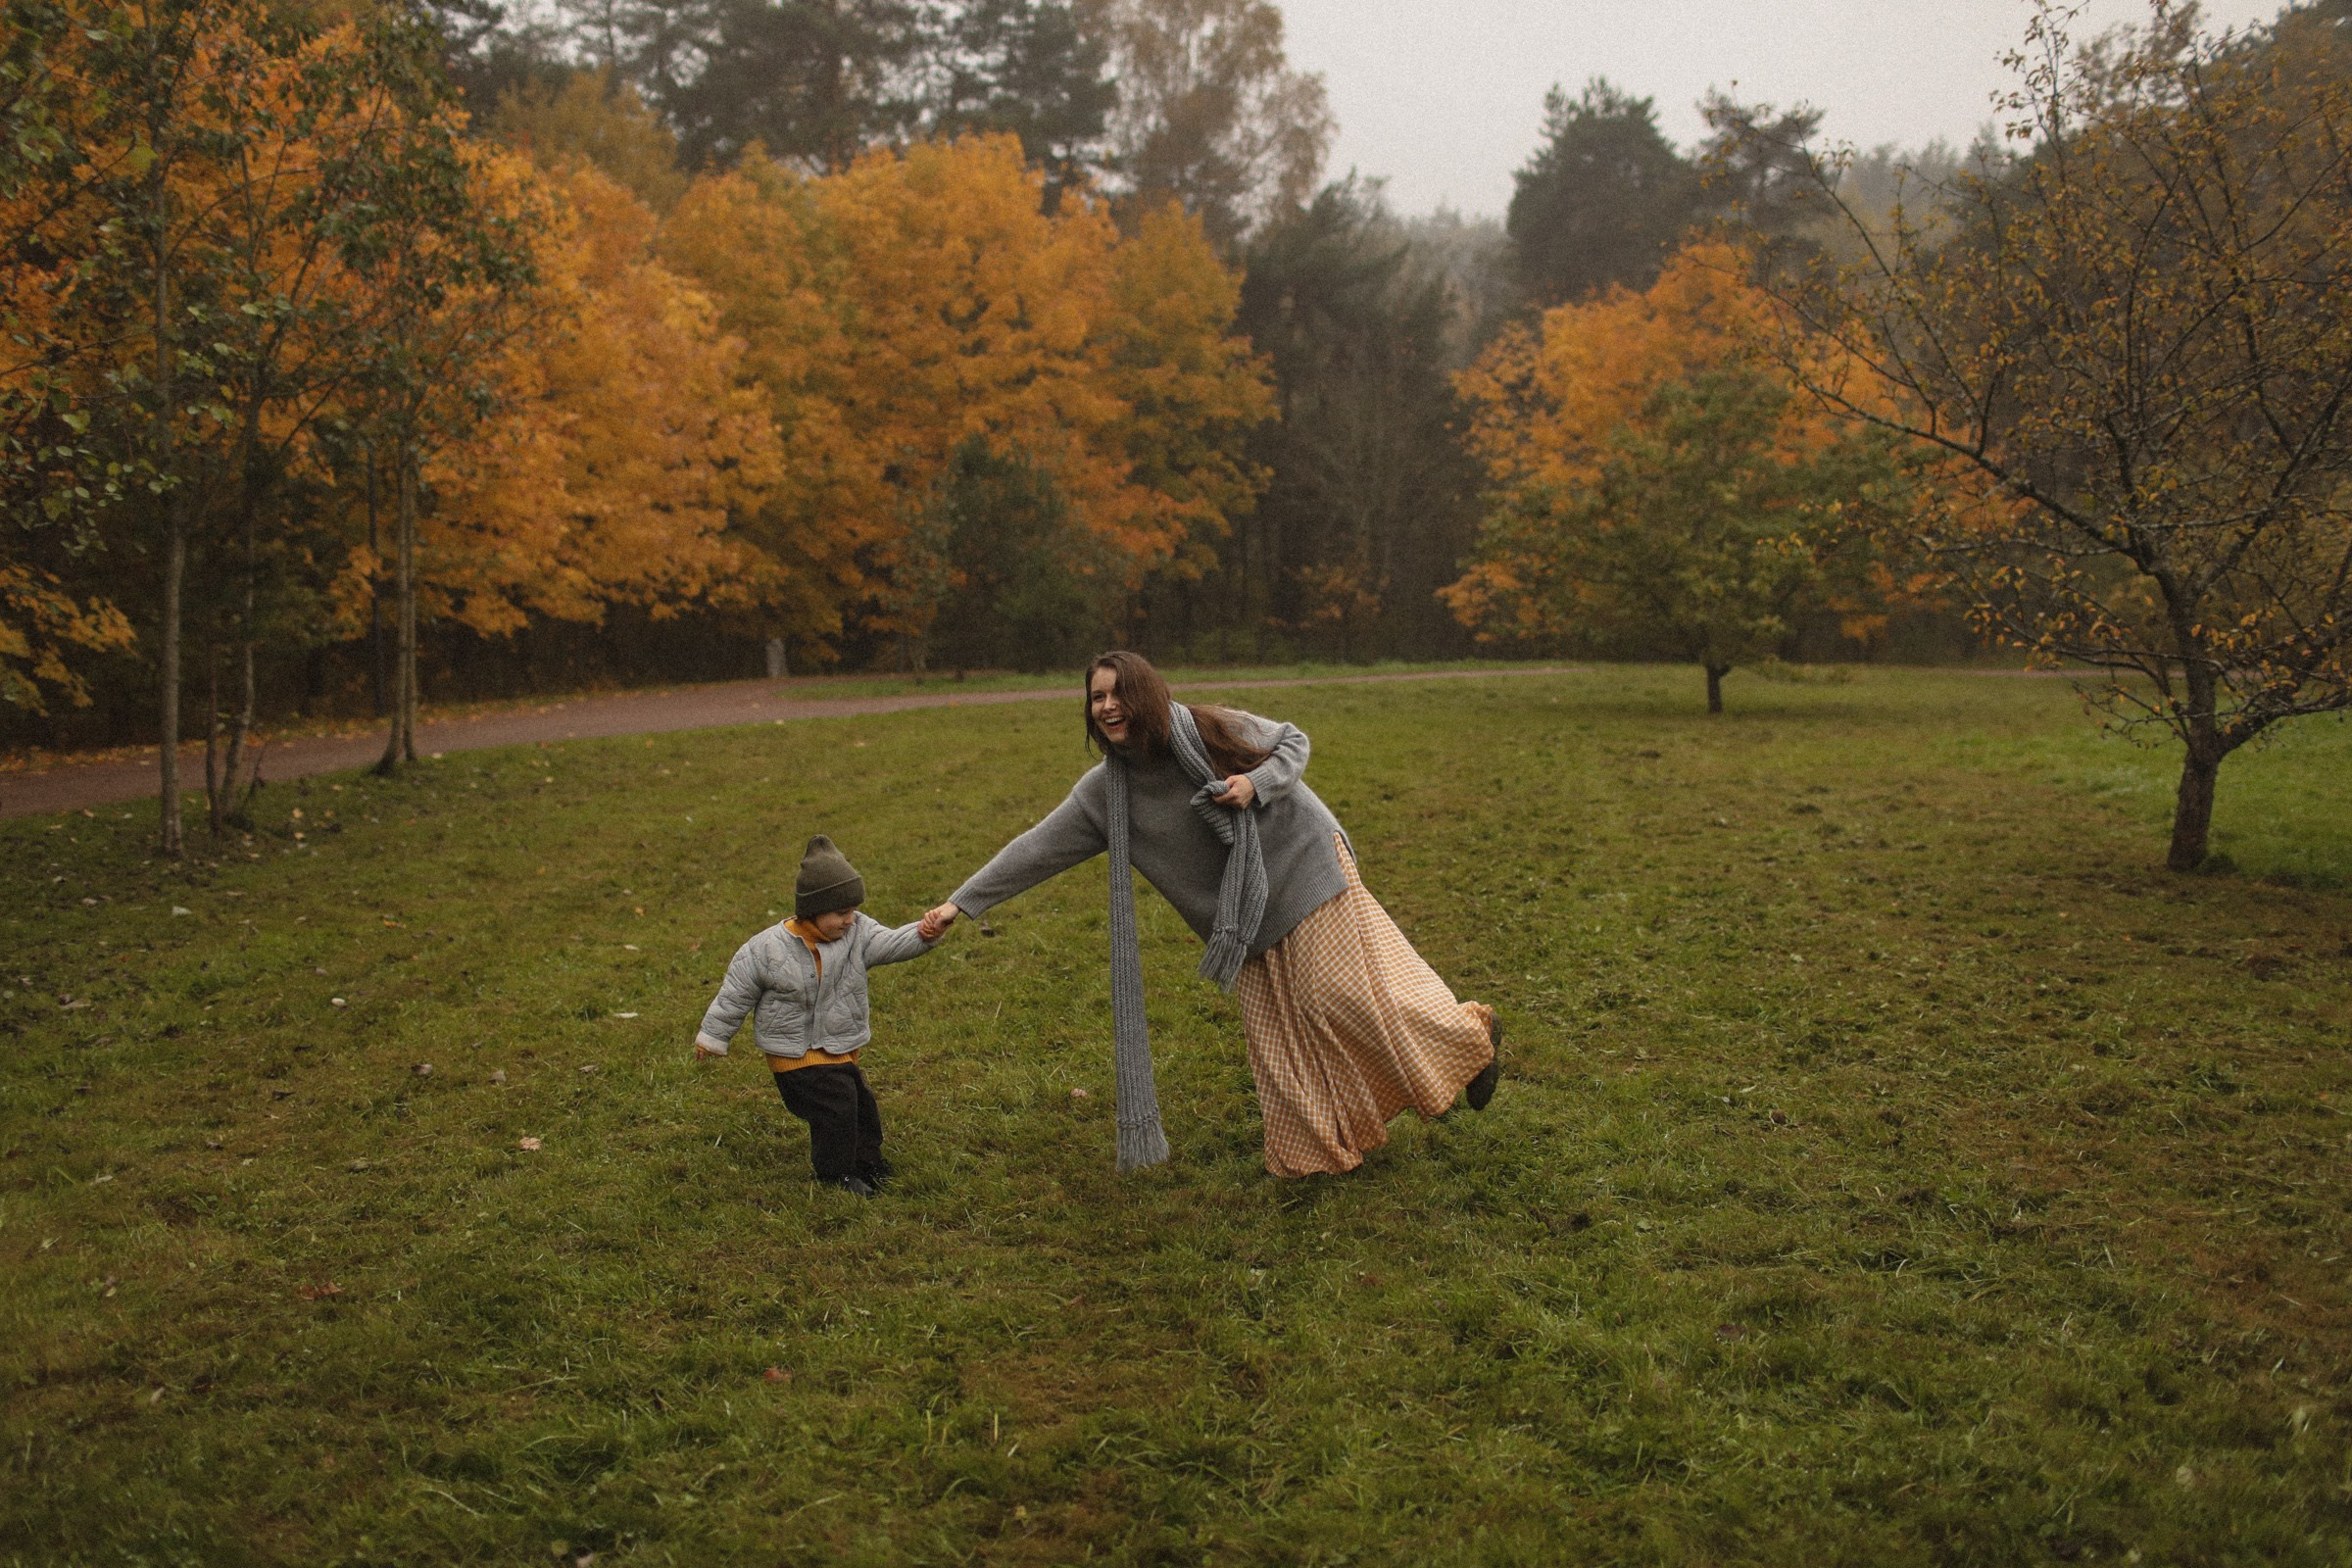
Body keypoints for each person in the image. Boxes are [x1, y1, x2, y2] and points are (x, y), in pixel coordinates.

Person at [925, 652, 1499, 1178]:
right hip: (1238, 916)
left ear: (1146, 696)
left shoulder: (1207, 729)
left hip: (1300, 860)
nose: (1106, 707)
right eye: (1096, 697)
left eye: (1117, 693)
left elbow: (1291, 741)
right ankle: (1313, 1156)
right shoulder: (1105, 794)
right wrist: (961, 901)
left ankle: (1471, 1039)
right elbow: (1036, 848)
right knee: (1277, 1045)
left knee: (1338, 997)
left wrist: (1255, 783)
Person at [694, 834, 939, 1197]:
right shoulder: (765, 949)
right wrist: (713, 1037)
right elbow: (734, 995)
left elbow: (892, 943)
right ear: (813, 909)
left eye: (853, 910)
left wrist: (925, 932)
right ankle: (836, 1175)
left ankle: (868, 1163)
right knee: (836, 1108)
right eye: (841, 912)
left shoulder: (857, 934)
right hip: (792, 1055)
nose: (849, 920)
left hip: (839, 1047)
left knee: (861, 1107)